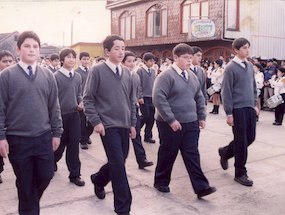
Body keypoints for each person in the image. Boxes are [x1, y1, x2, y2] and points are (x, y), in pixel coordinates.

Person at [0, 31, 63, 215]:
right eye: (27, 46)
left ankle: (28, 204)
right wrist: (1, 137)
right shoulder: (6, 76)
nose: (31, 49)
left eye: (35, 46)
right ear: (18, 49)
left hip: (43, 137)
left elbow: (54, 106)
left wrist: (57, 132)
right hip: (18, 140)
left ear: (40, 50)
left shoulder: (48, 76)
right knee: (26, 184)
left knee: (45, 175)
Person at [152, 43, 216, 198]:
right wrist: (171, 119)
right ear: (175, 58)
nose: (189, 61)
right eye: (185, 58)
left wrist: (201, 116)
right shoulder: (165, 76)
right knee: (168, 153)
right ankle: (161, 181)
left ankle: (201, 187)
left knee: (192, 154)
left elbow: (199, 97)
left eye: (190, 57)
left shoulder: (192, 76)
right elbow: (159, 99)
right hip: (170, 124)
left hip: (191, 122)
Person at [84, 35, 136, 215]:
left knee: (118, 161)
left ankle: (98, 179)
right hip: (107, 126)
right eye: (116, 48)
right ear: (107, 51)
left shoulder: (128, 73)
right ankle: (123, 208)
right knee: (119, 166)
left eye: (123, 48)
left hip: (124, 125)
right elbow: (88, 99)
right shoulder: (97, 71)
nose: (121, 51)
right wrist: (96, 122)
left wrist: (133, 124)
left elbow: (131, 101)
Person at [219, 37, 257, 187]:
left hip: (249, 108)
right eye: (244, 48)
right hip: (237, 109)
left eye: (248, 47)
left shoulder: (249, 66)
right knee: (241, 141)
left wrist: (255, 104)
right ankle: (240, 172)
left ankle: (226, 152)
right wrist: (229, 113)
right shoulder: (230, 68)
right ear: (236, 50)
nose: (247, 50)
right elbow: (226, 91)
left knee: (251, 138)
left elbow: (253, 87)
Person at [54, 48, 85, 186]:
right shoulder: (55, 77)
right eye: (68, 57)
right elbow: (52, 99)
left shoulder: (77, 76)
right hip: (59, 116)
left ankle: (75, 174)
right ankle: (51, 162)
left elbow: (78, 93)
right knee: (59, 145)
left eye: (73, 57)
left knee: (73, 145)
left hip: (74, 115)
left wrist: (81, 101)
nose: (71, 59)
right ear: (62, 60)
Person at [122, 51, 153, 169]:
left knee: (137, 135)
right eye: (128, 61)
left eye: (133, 61)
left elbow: (138, 88)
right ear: (123, 62)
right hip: (122, 110)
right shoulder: (120, 76)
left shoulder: (135, 75)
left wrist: (139, 97)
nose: (131, 64)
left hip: (133, 108)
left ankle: (142, 159)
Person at [0, 50, 15, 184]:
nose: (8, 64)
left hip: (11, 123)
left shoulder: (16, 79)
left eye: (10, 61)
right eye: (4, 61)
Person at [137, 52, 156, 143]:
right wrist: (140, 96)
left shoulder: (153, 71)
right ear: (145, 61)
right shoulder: (140, 71)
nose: (152, 63)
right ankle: (136, 128)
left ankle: (148, 136)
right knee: (146, 115)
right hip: (144, 97)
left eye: (153, 61)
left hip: (152, 97)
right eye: (150, 61)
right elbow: (138, 84)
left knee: (152, 118)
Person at [75, 52, 93, 150]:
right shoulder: (76, 72)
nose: (86, 61)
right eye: (84, 59)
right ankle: (83, 140)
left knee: (91, 122)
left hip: (91, 100)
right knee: (82, 122)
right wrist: (79, 100)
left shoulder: (92, 71)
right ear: (80, 60)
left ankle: (87, 135)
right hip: (81, 100)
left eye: (87, 59)